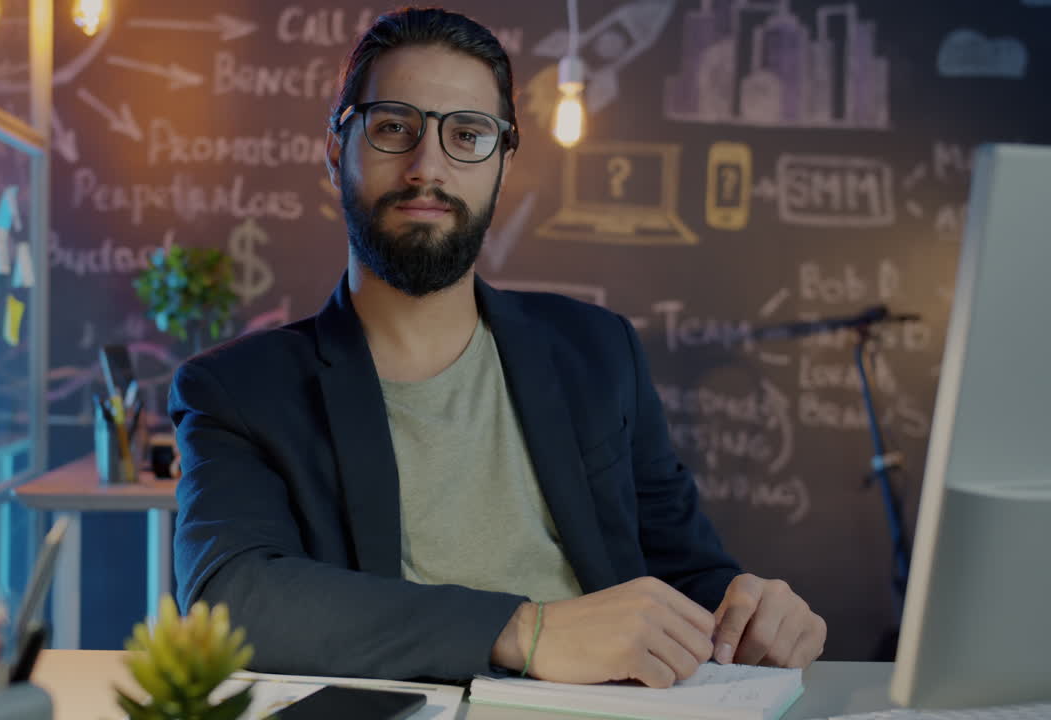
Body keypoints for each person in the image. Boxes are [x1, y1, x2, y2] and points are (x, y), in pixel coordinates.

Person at [169, 6, 825, 686]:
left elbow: (686, 572)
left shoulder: (598, 352)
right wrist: (523, 630)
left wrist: (751, 610)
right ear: (337, 152)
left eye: (468, 135)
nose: (429, 168)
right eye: (394, 127)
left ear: (504, 166)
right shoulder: (240, 391)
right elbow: (232, 600)